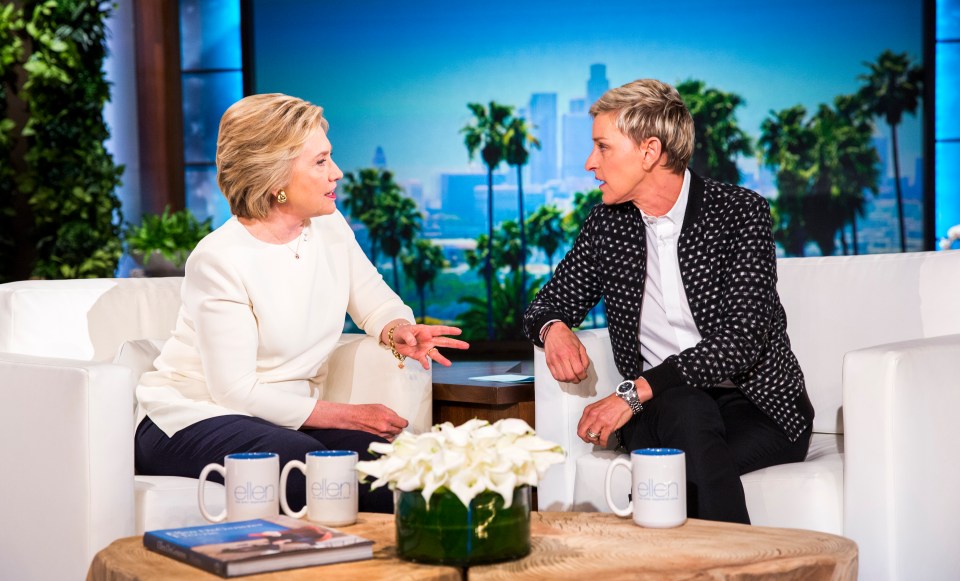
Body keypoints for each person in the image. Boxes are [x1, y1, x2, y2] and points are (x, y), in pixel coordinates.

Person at [135, 93, 468, 514]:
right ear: (275, 178)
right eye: (320, 162)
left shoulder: (328, 227)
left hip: (282, 420)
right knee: (312, 466)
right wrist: (348, 415)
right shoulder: (220, 258)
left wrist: (397, 329)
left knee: (398, 468)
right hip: (190, 417)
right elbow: (235, 392)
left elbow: (372, 299)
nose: (338, 172)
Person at [522, 79, 813, 524]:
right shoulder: (608, 224)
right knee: (685, 410)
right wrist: (555, 329)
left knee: (686, 453)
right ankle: (734, 577)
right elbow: (546, 305)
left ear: (649, 151)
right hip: (661, 409)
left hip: (758, 410)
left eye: (603, 148)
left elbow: (742, 340)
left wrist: (631, 393)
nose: (589, 163)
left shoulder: (739, 213)